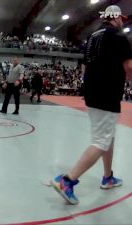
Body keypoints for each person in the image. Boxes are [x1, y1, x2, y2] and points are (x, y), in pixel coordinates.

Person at [51, 5, 132, 205]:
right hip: (108, 94)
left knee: (107, 136)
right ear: (116, 18)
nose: (122, 21)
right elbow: (129, 67)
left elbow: (84, 67)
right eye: (121, 18)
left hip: (92, 93)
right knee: (101, 141)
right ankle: (67, 181)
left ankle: (108, 177)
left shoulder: (92, 37)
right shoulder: (119, 38)